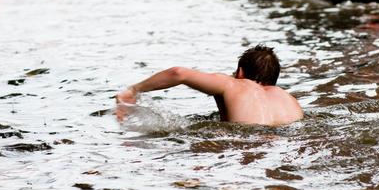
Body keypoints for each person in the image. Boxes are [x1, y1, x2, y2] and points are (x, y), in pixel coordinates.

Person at [115, 45, 303, 126]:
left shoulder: (234, 85)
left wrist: (133, 90)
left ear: (240, 73)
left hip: (245, 147)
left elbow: (178, 73)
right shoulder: (289, 100)